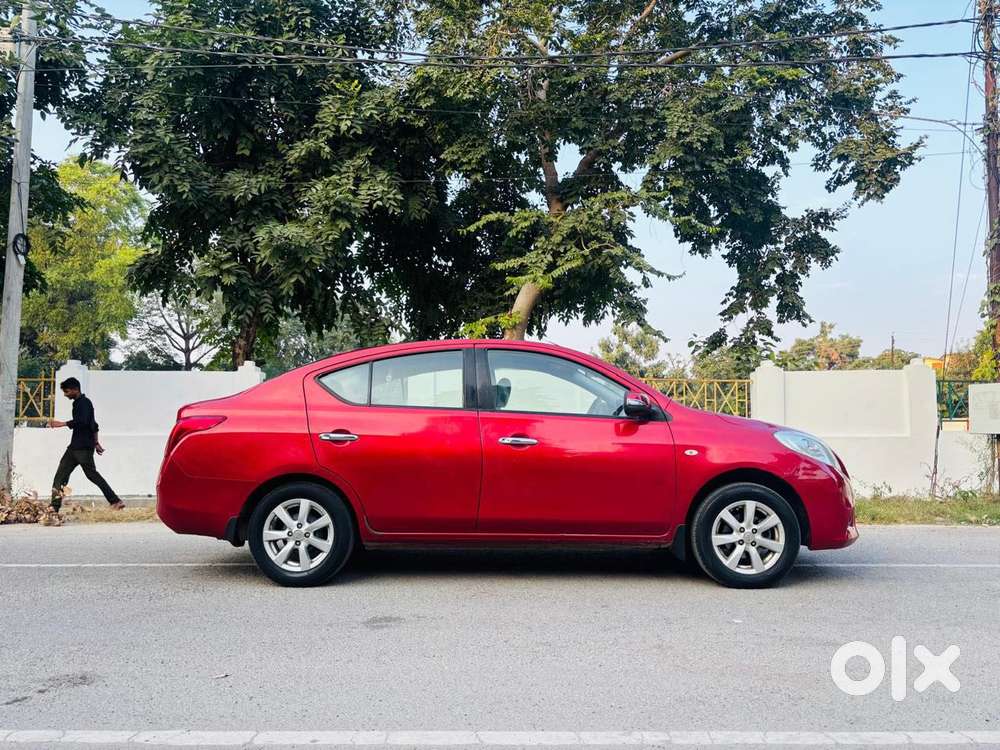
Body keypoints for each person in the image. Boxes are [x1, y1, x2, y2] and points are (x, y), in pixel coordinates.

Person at [48, 377, 124, 512]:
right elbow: (94, 425)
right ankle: (54, 507)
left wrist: (62, 424)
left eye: (67, 391)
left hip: (80, 448)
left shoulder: (82, 403)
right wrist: (96, 443)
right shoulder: (83, 403)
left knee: (68, 476)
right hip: (77, 447)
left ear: (75, 389)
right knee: (65, 476)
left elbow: (82, 422)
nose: (65, 395)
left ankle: (115, 501)